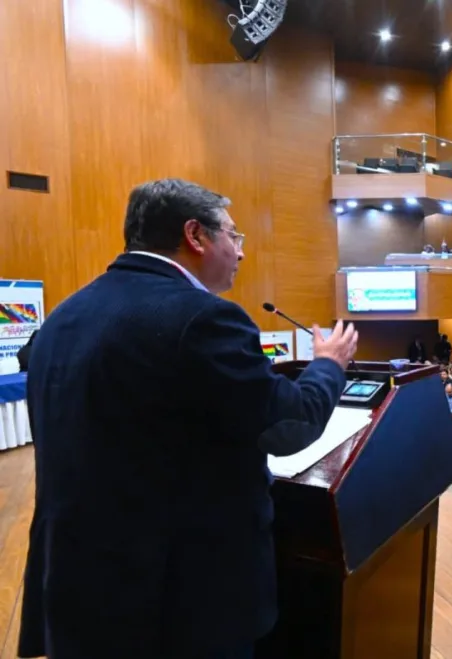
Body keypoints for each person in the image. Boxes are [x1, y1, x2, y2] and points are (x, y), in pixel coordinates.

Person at [18, 179, 360, 659]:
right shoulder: (202, 319)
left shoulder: (63, 318)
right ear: (196, 235)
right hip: (174, 604)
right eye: (234, 236)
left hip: (78, 587)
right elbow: (290, 425)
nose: (241, 252)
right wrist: (329, 364)